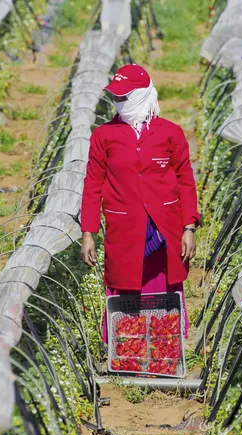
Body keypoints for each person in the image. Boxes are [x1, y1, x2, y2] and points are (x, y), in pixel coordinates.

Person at [80, 64, 200, 343]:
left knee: (163, 285)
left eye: (125, 97)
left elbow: (186, 182)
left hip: (164, 230)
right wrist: (88, 233)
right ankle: (127, 348)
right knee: (124, 282)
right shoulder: (104, 136)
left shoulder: (170, 133)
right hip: (124, 227)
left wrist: (189, 227)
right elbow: (92, 185)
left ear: (143, 95)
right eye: (116, 97)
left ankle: (164, 348)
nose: (119, 103)